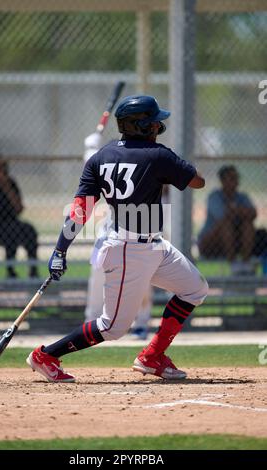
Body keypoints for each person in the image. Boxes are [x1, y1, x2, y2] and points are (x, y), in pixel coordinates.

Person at [26, 95, 208, 383]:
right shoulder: (158, 155)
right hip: (129, 250)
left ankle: (152, 356)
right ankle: (46, 354)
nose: (158, 125)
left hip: (153, 245)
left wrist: (61, 249)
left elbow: (80, 210)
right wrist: (174, 162)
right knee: (112, 328)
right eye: (154, 121)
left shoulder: (101, 157)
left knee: (194, 288)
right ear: (142, 125)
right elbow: (198, 181)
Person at [83, 131, 151, 340]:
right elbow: (95, 167)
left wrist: (90, 149)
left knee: (143, 277)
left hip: (146, 226)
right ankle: (91, 321)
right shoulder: (109, 162)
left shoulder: (144, 161)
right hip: (111, 227)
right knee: (97, 269)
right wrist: (90, 149)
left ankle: (141, 323)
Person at [198, 165, 257, 274]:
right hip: (211, 243)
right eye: (231, 178)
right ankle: (233, 264)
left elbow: (253, 214)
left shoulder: (242, 197)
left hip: (233, 242)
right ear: (223, 181)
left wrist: (235, 210)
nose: (236, 181)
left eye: (236, 178)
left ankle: (245, 263)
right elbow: (223, 216)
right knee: (226, 225)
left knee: (248, 224)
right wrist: (241, 211)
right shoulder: (215, 196)